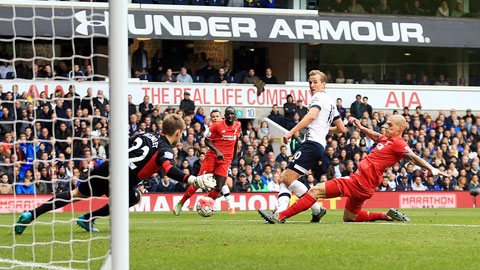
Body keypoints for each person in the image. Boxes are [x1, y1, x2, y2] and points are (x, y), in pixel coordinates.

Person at [15, 114, 216, 234]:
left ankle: (31, 214)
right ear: (179, 133)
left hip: (106, 169)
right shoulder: (165, 149)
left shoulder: (144, 134)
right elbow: (169, 169)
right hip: (122, 181)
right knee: (134, 197)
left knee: (75, 194)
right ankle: (88, 218)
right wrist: (193, 179)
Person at [259, 115, 449, 224]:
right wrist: (360, 127)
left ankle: (280, 216)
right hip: (366, 187)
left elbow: (413, 157)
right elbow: (376, 136)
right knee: (349, 218)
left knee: (316, 190)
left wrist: (431, 167)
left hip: (359, 182)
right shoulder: (387, 139)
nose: (386, 126)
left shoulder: (399, 143)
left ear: (400, 128)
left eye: (390, 125)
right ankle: (388, 216)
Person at [274, 70, 346, 223]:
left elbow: (312, 116)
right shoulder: (331, 102)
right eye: (310, 82)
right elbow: (341, 129)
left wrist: (292, 131)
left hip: (311, 144)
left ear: (323, 84)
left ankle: (282, 214)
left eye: (315, 82)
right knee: (284, 178)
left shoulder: (318, 97)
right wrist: (325, 129)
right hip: (317, 145)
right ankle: (313, 210)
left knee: (285, 178)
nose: (312, 85)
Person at [175, 107, 240, 215]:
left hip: (226, 159)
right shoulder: (216, 126)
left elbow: (236, 140)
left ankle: (206, 205)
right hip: (212, 157)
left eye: (232, 114)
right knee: (198, 183)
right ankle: (181, 203)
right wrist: (217, 151)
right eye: (213, 117)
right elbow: (207, 141)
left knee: (220, 185)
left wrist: (234, 155)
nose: (229, 116)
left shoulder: (238, 125)